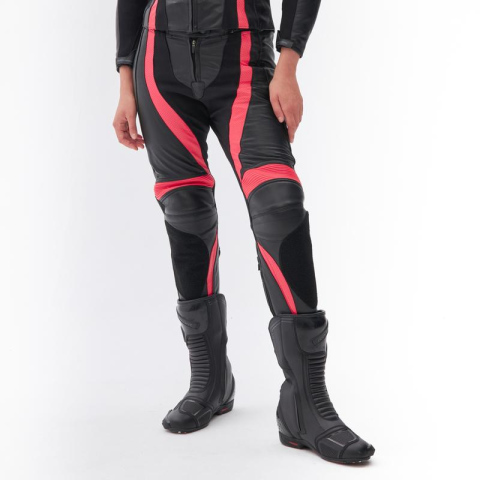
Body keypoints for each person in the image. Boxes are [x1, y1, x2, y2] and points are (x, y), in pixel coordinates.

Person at [113, 0, 375, 464]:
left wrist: (288, 63)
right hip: (158, 67)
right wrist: (125, 80)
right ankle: (209, 379)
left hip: (244, 64)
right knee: (184, 210)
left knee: (279, 204)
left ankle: (306, 402)